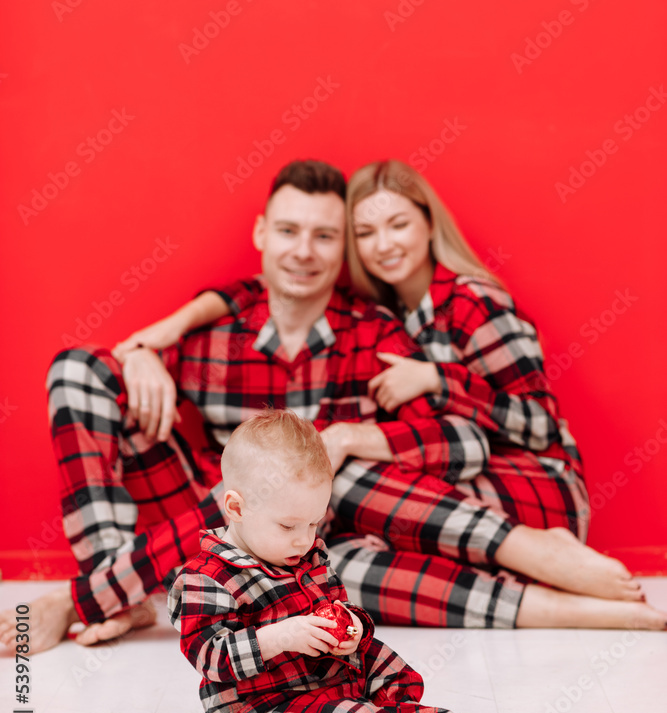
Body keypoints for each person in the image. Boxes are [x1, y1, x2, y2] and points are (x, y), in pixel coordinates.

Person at [1, 159, 663, 657]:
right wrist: (144, 347)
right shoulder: (213, 330)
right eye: (287, 230)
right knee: (80, 370)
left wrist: (363, 427)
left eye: (324, 235)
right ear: (261, 233)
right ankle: (116, 594)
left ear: (340, 246)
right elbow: (209, 315)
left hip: (326, 534)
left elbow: (469, 433)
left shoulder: (381, 331)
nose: (303, 250)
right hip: (224, 520)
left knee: (330, 553)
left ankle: (90, 601)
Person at [168, 408, 522, 713]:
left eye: (314, 522)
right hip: (260, 712)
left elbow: (339, 604)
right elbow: (211, 658)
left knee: (385, 663)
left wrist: (353, 627)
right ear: (236, 508)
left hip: (325, 680)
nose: (304, 538)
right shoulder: (206, 579)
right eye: (288, 525)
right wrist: (279, 637)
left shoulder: (306, 554)